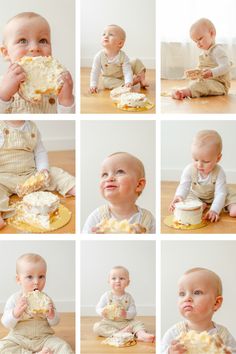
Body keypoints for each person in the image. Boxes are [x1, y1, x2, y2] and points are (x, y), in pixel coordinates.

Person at [0, 120, 75, 229]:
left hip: (31, 175)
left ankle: (72, 186)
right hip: (4, 177)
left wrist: (43, 170)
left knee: (56, 173)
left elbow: (40, 152)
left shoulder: (32, 127)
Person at [0, 12, 75, 113]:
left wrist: (66, 100)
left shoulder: (56, 85)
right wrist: (3, 94)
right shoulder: (2, 84)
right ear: (6, 53)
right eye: (22, 41)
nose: (35, 48)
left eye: (43, 41)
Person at [0, 253, 74, 354]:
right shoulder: (14, 299)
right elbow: (5, 323)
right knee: (2, 347)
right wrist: (15, 313)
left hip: (43, 339)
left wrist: (51, 315)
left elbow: (55, 322)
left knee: (64, 347)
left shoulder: (46, 299)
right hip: (19, 339)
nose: (36, 282)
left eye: (41, 276)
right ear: (18, 279)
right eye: (29, 277)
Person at [161, 267, 236, 353]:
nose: (187, 298)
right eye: (182, 294)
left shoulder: (223, 335)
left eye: (197, 292)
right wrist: (169, 352)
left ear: (216, 303)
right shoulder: (175, 333)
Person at [169, 130, 236, 222]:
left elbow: (220, 193)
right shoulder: (189, 170)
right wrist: (179, 196)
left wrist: (214, 210)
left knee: (229, 197)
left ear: (218, 158)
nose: (199, 165)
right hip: (197, 195)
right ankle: (199, 204)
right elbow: (184, 186)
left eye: (206, 161)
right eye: (195, 159)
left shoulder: (219, 172)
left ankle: (230, 206)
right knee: (187, 196)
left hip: (217, 194)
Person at [82, 151, 155, 233]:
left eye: (120, 172)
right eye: (105, 174)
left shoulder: (148, 219)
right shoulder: (96, 217)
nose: (109, 178)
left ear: (139, 185)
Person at [172, 18, 231, 100]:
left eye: (200, 39)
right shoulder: (203, 54)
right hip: (208, 81)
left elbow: (226, 66)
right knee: (195, 83)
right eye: (195, 42)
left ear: (212, 33)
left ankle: (184, 92)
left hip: (220, 85)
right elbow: (200, 69)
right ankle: (184, 91)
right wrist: (195, 74)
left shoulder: (218, 50)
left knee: (202, 85)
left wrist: (212, 72)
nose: (198, 44)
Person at [93, 265, 155, 342]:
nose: (117, 281)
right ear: (109, 281)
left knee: (138, 324)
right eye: (113, 278)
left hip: (126, 322)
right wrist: (102, 311)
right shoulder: (106, 295)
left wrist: (126, 314)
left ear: (128, 282)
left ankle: (142, 335)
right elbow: (98, 308)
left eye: (121, 278)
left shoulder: (128, 297)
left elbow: (133, 312)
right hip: (110, 322)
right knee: (97, 327)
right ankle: (118, 333)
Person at [89, 24, 148, 93]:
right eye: (104, 34)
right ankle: (131, 82)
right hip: (110, 77)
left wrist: (128, 80)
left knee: (136, 61)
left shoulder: (123, 56)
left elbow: (127, 71)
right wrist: (93, 84)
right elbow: (95, 72)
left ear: (120, 43)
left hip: (123, 74)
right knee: (106, 83)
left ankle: (142, 79)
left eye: (110, 34)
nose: (106, 36)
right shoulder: (99, 56)